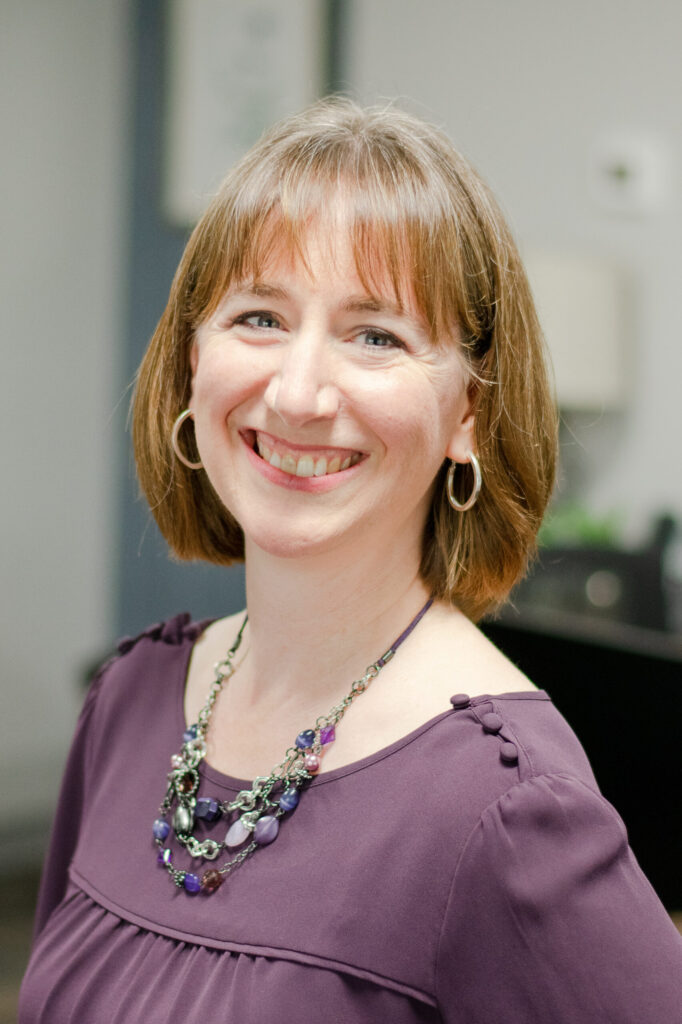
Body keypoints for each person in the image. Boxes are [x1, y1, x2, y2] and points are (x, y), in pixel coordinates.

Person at [20, 98, 682, 1023]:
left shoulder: (508, 805)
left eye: (376, 336)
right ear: (189, 366)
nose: (296, 393)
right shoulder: (128, 702)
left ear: (469, 415)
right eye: (258, 317)